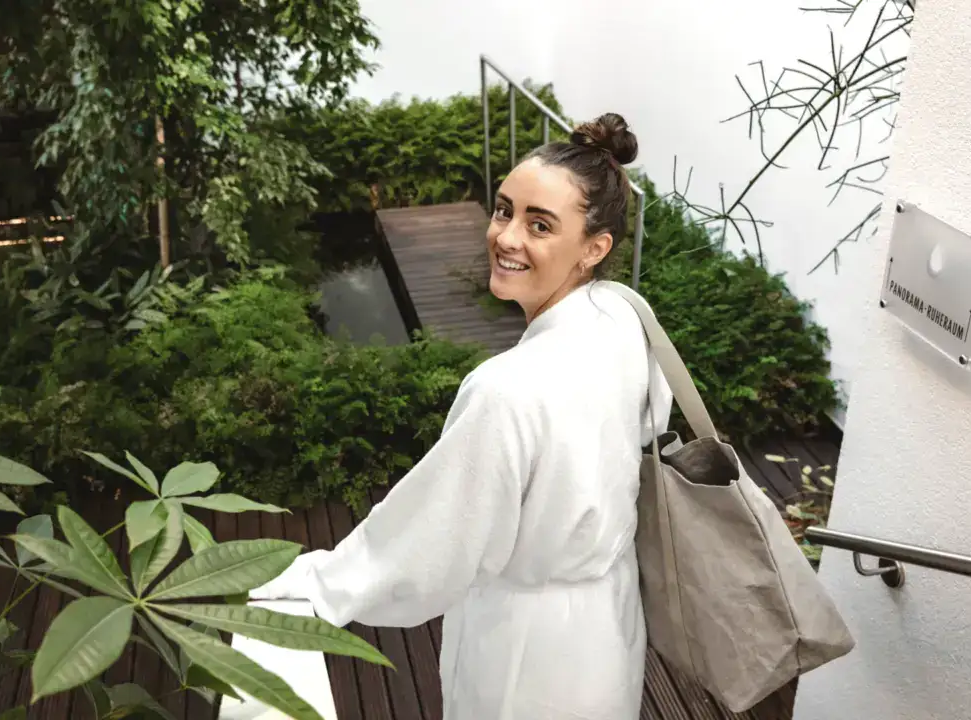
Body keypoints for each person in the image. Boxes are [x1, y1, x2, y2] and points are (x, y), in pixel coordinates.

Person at [251, 112, 673, 720]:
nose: (506, 236)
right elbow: (648, 422)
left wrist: (317, 582)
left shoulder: (507, 389)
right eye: (504, 211)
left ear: (594, 248)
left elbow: (432, 540)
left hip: (527, 658)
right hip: (607, 628)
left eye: (540, 224)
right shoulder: (623, 319)